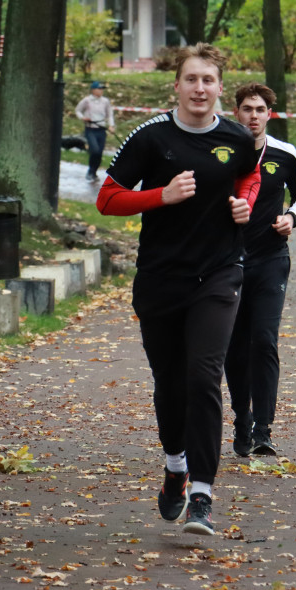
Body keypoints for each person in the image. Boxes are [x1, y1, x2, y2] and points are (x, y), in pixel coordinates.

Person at [95, 44, 260, 536]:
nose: (200, 89)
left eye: (208, 80)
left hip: (219, 273)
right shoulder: (151, 137)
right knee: (170, 383)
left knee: (204, 375)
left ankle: (204, 496)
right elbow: (106, 198)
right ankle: (175, 469)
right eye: (191, 79)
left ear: (220, 88)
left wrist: (245, 203)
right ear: (177, 86)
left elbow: (249, 174)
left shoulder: (238, 137)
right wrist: (160, 196)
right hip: (162, 278)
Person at [225, 83, 296, 457]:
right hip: (226, 262)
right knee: (233, 347)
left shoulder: (285, 153)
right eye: (247, 109)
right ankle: (241, 420)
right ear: (237, 112)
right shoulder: (222, 151)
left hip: (271, 260)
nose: (254, 116)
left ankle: (263, 428)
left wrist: (291, 217)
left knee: (263, 340)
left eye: (260, 109)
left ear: (269, 114)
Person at [75, 80, 116, 182]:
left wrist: (111, 125)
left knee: (100, 153)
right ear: (93, 90)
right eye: (99, 88)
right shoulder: (87, 100)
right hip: (90, 129)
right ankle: (90, 171)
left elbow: (109, 114)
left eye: (102, 89)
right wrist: (83, 118)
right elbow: (78, 110)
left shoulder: (105, 101)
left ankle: (94, 172)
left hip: (101, 129)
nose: (101, 91)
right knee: (95, 150)